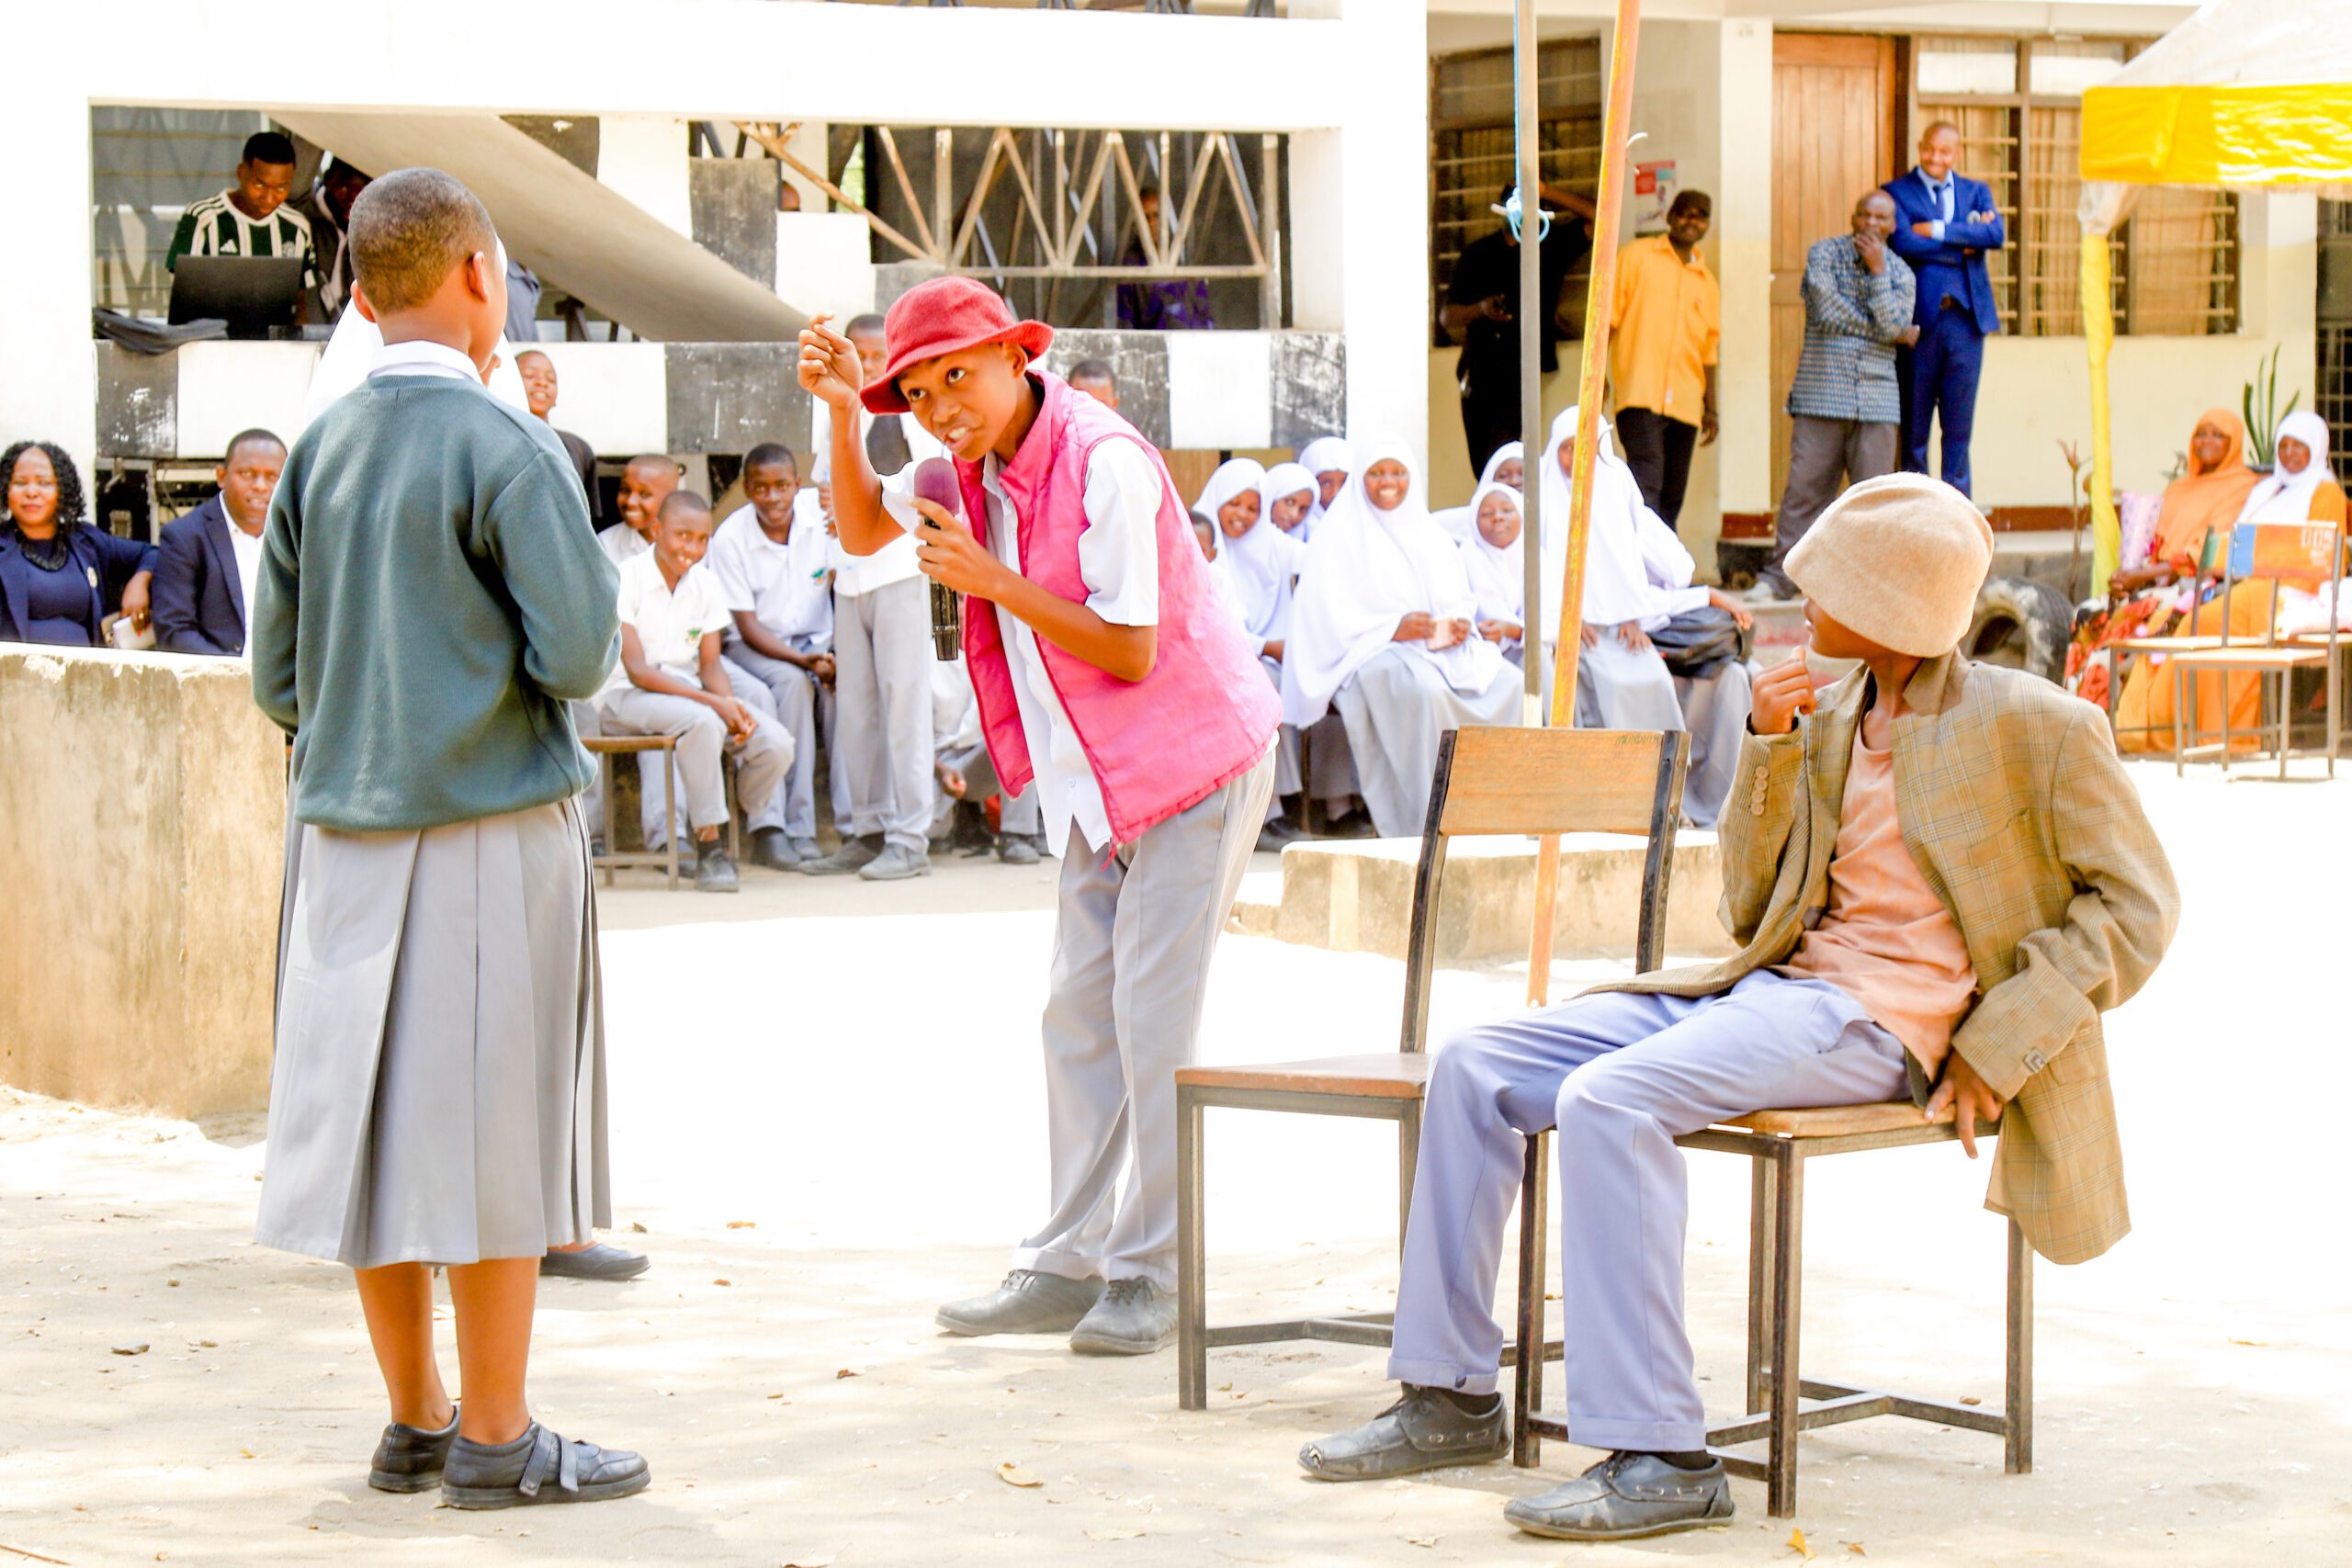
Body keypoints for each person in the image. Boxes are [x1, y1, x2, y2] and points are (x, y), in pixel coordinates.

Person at [1300, 473, 2177, 1544]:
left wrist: (2003, 1043)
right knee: (1475, 1063)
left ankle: (1664, 1455)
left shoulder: (2037, 725)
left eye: (1828, 587)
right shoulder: (1832, 712)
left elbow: (2138, 906)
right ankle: (1448, 1397)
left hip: (1880, 1026)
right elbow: (1751, 906)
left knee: (1609, 1100)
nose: (1799, 605)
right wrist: (1767, 747)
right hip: (1772, 992)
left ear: (1893, 606)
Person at [249, 166, 648, 1509]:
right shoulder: (505, 445)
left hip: (339, 836)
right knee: (494, 1131)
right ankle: (499, 1433)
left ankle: (415, 1417)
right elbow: (580, 652)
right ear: (480, 274)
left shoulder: (317, 451)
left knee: (368, 1129)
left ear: (364, 296)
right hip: (485, 826)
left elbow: (276, 680)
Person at [803, 276, 1279, 1354]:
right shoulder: (961, 467)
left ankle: (1149, 1273)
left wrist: (989, 580)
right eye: (917, 395)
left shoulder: (1103, 460)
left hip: (1195, 761)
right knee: (1076, 1014)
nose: (941, 408)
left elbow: (1130, 648)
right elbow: (863, 527)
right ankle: (1067, 1261)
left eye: (956, 378)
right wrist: (842, 414)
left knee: (1152, 1021)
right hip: (1097, 777)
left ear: (1017, 357)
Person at [1282, 439, 1521, 839]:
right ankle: (1431, 816)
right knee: (1425, 692)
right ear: (1362, 479)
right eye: (1377, 473)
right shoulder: (1337, 536)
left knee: (1510, 683)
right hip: (1367, 650)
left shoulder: (1429, 533)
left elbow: (1458, 597)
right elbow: (1324, 617)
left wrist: (1458, 624)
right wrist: (1393, 628)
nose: (1388, 482)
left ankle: (1499, 808)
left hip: (1435, 647)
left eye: (1397, 473)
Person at [1541, 407, 1754, 828]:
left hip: (1624, 628)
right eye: (1566, 448)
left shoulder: (1615, 482)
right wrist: (1564, 620)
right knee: (1607, 686)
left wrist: (1632, 614)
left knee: (1653, 679)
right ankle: (1621, 805)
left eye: (1584, 447)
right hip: (1571, 632)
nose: (1576, 458)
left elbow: (1632, 562)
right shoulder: (1544, 494)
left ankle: (1667, 798)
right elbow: (1538, 569)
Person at [2112, 411, 2347, 751]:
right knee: (2164, 620)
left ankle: (2209, 731)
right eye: (2283, 446)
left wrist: (2262, 566)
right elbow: (2236, 543)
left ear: (2317, 448)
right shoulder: (2266, 490)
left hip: (2287, 590)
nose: (2289, 454)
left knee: (2204, 622)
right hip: (2242, 583)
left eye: (2299, 446)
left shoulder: (2326, 493)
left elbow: (2322, 558)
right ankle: (2153, 726)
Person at [595, 491, 794, 892]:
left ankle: (729, 807)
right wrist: (714, 704)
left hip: (686, 693)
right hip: (624, 697)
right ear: (656, 530)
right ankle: (710, 848)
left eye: (702, 539)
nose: (692, 548)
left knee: (775, 742)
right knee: (703, 722)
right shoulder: (625, 576)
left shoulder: (706, 583)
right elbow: (637, 671)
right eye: (682, 536)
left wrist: (731, 706)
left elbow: (710, 665)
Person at [805, 312, 944, 883]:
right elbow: (824, 485)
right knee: (856, 711)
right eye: (858, 354)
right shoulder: (836, 409)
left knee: (904, 706)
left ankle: (909, 838)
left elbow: (929, 484)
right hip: (850, 578)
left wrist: (859, 508)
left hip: (901, 574)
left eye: (877, 355)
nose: (867, 365)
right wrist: (832, 507)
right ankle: (865, 831)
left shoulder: (911, 413)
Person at [1755, 190, 1918, 602]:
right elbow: (1828, 314)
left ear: (1892, 225)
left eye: (1880, 218)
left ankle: (1865, 591)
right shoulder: (1824, 255)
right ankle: (1780, 579)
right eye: (1864, 215)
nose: (1870, 224)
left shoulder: (1900, 272)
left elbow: (1894, 323)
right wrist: (1892, 333)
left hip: (1877, 401)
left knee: (1872, 502)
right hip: (1821, 394)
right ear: (1852, 217)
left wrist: (1878, 272)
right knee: (1805, 492)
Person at [2066, 409, 2256, 709]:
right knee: (2085, 614)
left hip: (2195, 586)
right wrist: (2131, 575)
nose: (2206, 441)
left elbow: (2211, 550)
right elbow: (2156, 541)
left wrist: (2143, 577)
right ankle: (2073, 708)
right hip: (2155, 579)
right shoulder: (2179, 488)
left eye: (2218, 435)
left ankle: (2105, 713)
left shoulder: (2243, 487)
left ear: (2233, 443)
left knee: (2123, 623)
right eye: (2201, 434)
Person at [709, 443, 836, 867]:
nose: (772, 497)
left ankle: (842, 825)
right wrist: (806, 664)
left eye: (782, 486)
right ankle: (778, 828)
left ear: (797, 484)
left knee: (841, 692)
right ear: (747, 490)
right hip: (752, 646)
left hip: (814, 642)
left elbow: (843, 580)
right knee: (793, 685)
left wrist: (831, 656)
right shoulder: (731, 538)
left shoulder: (821, 516)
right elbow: (747, 627)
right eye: (760, 488)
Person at [1442, 183, 1598, 478]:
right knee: (1484, 466)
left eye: (1528, 207)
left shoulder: (1550, 246)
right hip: (1480, 369)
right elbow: (1447, 317)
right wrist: (1482, 309)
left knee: (1509, 459)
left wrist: (1545, 191)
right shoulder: (1478, 254)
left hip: (1522, 372)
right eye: (1514, 207)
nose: (1520, 214)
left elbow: (1599, 216)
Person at [1884, 122, 2006, 498]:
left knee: (1958, 431)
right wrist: (1964, 243)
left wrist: (1935, 230)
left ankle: (1958, 519)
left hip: (1966, 323)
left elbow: (1995, 235)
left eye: (1944, 151)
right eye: (1929, 149)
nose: (1935, 158)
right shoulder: (1896, 192)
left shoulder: (1976, 192)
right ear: (1919, 147)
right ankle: (1915, 514)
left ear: (1958, 153)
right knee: (1914, 431)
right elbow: (1903, 241)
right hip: (1919, 324)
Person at [1609, 191, 1719, 530]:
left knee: (1672, 494)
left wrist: (1711, 408)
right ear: (1670, 217)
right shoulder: (1636, 257)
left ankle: (1661, 560)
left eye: (1700, 215)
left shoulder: (1708, 283)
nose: (1692, 221)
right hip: (1640, 394)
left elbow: (1708, 353)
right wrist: (1596, 379)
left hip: (1686, 403)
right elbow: (1606, 321)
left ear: (1707, 224)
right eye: (1685, 213)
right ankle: (1638, 558)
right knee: (1647, 482)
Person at [0, 441, 153, 647]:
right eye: (20, 483)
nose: (31, 492)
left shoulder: (84, 540)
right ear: (5, 489)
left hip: (88, 666)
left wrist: (140, 582)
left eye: (44, 483)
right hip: (16, 668)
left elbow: (153, 553)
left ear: (62, 490)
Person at [164, 131, 321, 322]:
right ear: (240, 173)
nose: (269, 198)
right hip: (211, 338)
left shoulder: (297, 228)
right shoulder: (202, 218)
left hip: (273, 340)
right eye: (259, 185)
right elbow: (182, 295)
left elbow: (302, 299)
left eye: (281, 188)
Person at [153, 428, 283, 656]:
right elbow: (174, 633)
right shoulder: (184, 537)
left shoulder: (299, 536)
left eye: (273, 477)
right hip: (217, 673)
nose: (261, 486)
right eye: (247, 473)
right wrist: (232, 671)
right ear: (222, 476)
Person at [514, 350, 603, 525]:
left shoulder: (578, 448)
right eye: (530, 376)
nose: (542, 383)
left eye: (550, 380)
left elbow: (590, 518)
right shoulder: (497, 440)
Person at [1116, 186, 1216, 331]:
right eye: (1146, 218)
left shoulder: (1177, 255)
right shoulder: (1131, 263)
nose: (1152, 223)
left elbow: (1202, 309)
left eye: (1156, 216)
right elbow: (1126, 316)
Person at [290, 156, 371, 321]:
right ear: (327, 180)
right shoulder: (304, 214)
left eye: (361, 194)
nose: (351, 202)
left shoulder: (372, 227)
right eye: (343, 191)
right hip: (305, 326)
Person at [1457, 478, 1529, 657]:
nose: (1498, 518)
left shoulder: (1533, 552)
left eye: (1507, 510)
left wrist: (1515, 631)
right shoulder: (1469, 555)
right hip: (1486, 652)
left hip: (1530, 643)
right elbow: (1490, 614)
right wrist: (1519, 631)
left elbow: (1552, 616)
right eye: (1486, 514)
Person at [1433, 442, 1523, 546]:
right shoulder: (1468, 520)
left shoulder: (1540, 521)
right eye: (1503, 475)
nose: (1514, 481)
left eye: (1523, 474)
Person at [601, 455, 678, 566]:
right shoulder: (605, 545)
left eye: (644, 494)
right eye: (625, 490)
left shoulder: (692, 540)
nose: (630, 502)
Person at [1295, 435, 1356, 542]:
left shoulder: (1368, 526)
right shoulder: (1294, 531)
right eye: (1326, 484)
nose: (1336, 493)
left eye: (1345, 483)